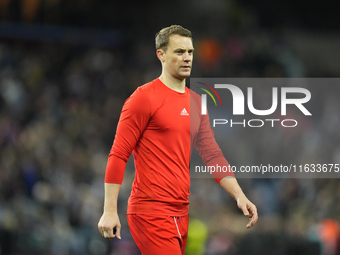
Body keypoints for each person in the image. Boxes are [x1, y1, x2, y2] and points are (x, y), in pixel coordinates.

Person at [98, 25, 258, 255]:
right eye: (179, 51)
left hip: (181, 213)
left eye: (190, 52)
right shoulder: (143, 98)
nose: (187, 58)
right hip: (150, 212)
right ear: (161, 55)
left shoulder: (196, 103)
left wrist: (240, 195)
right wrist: (110, 210)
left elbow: (212, 155)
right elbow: (118, 154)